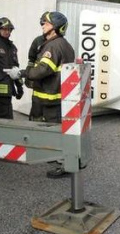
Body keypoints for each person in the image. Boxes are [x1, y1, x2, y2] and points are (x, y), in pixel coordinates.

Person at [5, 11, 75, 178]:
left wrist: (21, 73)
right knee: (55, 129)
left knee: (54, 132)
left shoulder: (53, 46)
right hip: (55, 97)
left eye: (46, 23)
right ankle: (58, 159)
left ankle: (63, 165)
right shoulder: (63, 45)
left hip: (50, 97)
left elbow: (41, 71)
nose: (43, 25)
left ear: (55, 27)